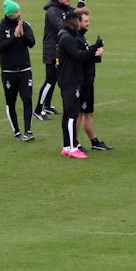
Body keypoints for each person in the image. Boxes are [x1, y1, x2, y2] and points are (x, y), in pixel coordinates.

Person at [34, 0, 86, 121]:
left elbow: (76, 14)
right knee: (50, 79)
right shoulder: (52, 11)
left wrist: (82, 1)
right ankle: (38, 110)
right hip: (52, 49)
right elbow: (62, 27)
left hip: (59, 49)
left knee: (55, 78)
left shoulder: (63, 9)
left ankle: (47, 106)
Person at [57, 9, 103, 159]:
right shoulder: (67, 38)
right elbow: (79, 55)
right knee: (72, 115)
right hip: (70, 81)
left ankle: (66, 146)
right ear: (73, 23)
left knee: (67, 115)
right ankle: (72, 147)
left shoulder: (67, 36)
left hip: (68, 79)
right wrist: (95, 48)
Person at [0, 0, 36, 142]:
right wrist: (14, 36)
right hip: (9, 71)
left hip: (25, 69)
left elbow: (32, 43)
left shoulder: (25, 25)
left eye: (19, 11)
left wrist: (22, 34)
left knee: (27, 99)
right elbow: (2, 47)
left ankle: (28, 131)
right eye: (16, 12)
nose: (19, 14)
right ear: (9, 13)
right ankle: (17, 132)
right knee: (11, 101)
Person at [75, 7, 113, 151]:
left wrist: (96, 54)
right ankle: (75, 142)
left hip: (88, 80)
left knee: (88, 113)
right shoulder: (76, 39)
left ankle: (94, 142)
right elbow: (81, 58)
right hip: (82, 81)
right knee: (79, 113)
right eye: (85, 21)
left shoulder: (81, 38)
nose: (88, 23)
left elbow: (86, 56)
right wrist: (95, 52)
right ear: (78, 22)